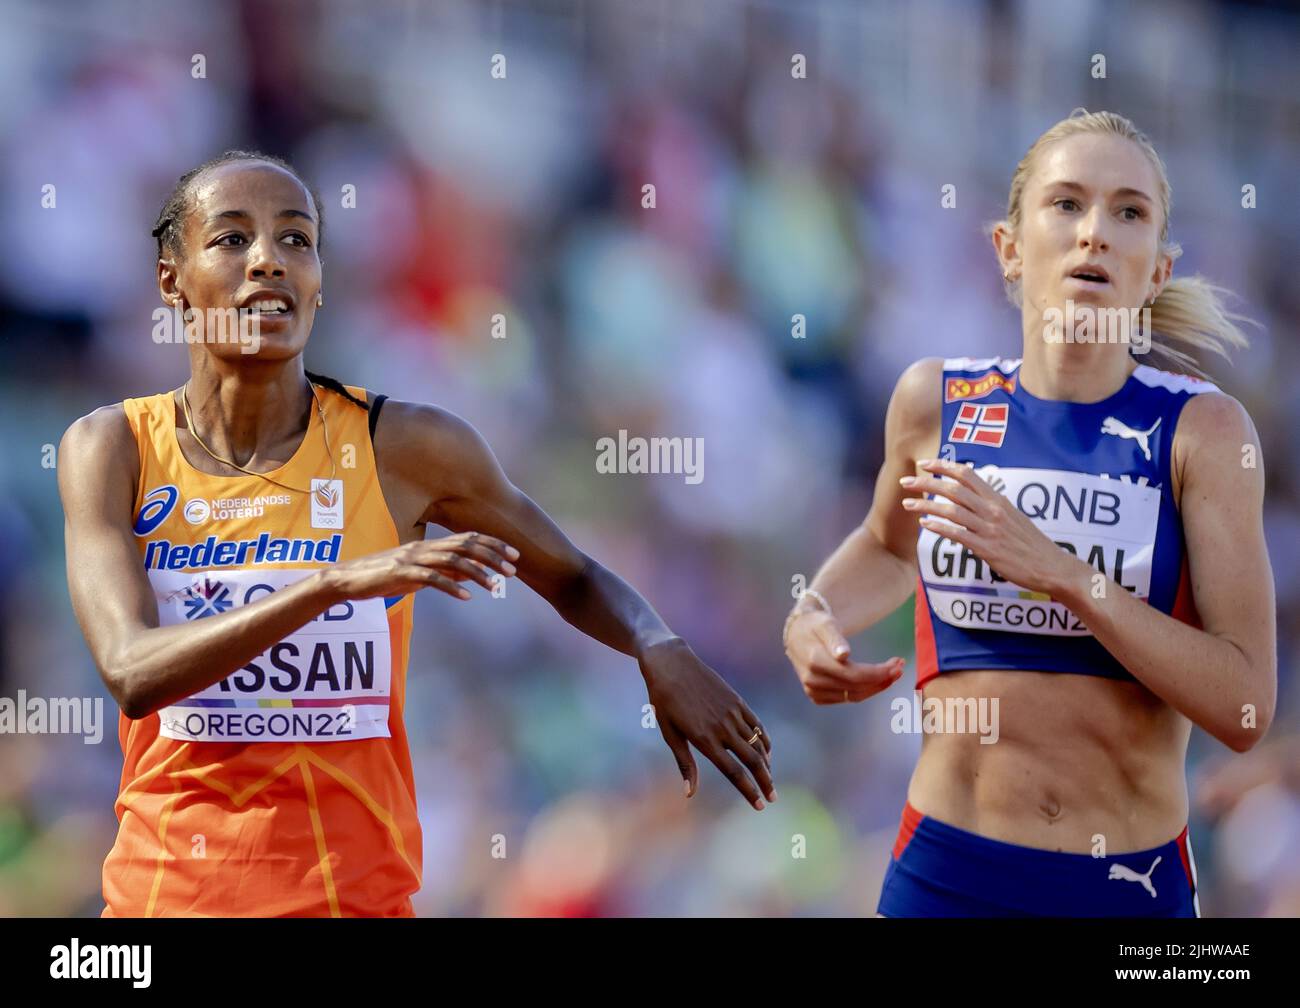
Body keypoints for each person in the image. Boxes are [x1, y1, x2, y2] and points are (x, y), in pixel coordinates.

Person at [59, 150, 774, 918]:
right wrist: (334, 583)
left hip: (352, 902)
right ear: (173, 279)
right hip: (162, 904)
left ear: (321, 281)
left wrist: (657, 645)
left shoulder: (404, 447)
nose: (268, 260)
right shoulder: (114, 448)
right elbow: (132, 671)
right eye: (232, 239)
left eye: (297, 240)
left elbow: (571, 574)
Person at [782, 109, 1276, 917]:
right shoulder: (933, 400)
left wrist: (1066, 577)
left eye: (1129, 212)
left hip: (1123, 887)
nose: (1095, 234)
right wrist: (813, 613)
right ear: (1010, 249)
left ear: (1157, 270)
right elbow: (888, 546)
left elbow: (1247, 705)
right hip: (945, 873)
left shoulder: (1205, 433)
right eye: (1067, 204)